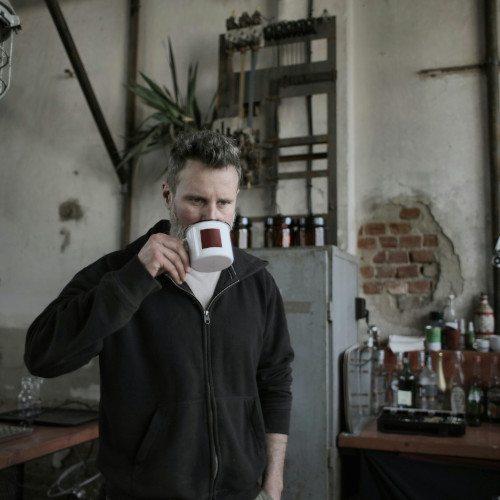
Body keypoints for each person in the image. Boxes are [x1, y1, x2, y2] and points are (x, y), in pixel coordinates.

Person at [24, 130, 294, 500]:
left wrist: (273, 481)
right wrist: (134, 279)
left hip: (239, 493)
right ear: (168, 195)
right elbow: (42, 355)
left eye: (224, 203)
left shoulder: (256, 282)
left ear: (236, 202)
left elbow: (275, 382)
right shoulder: (119, 273)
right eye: (197, 200)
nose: (211, 217)